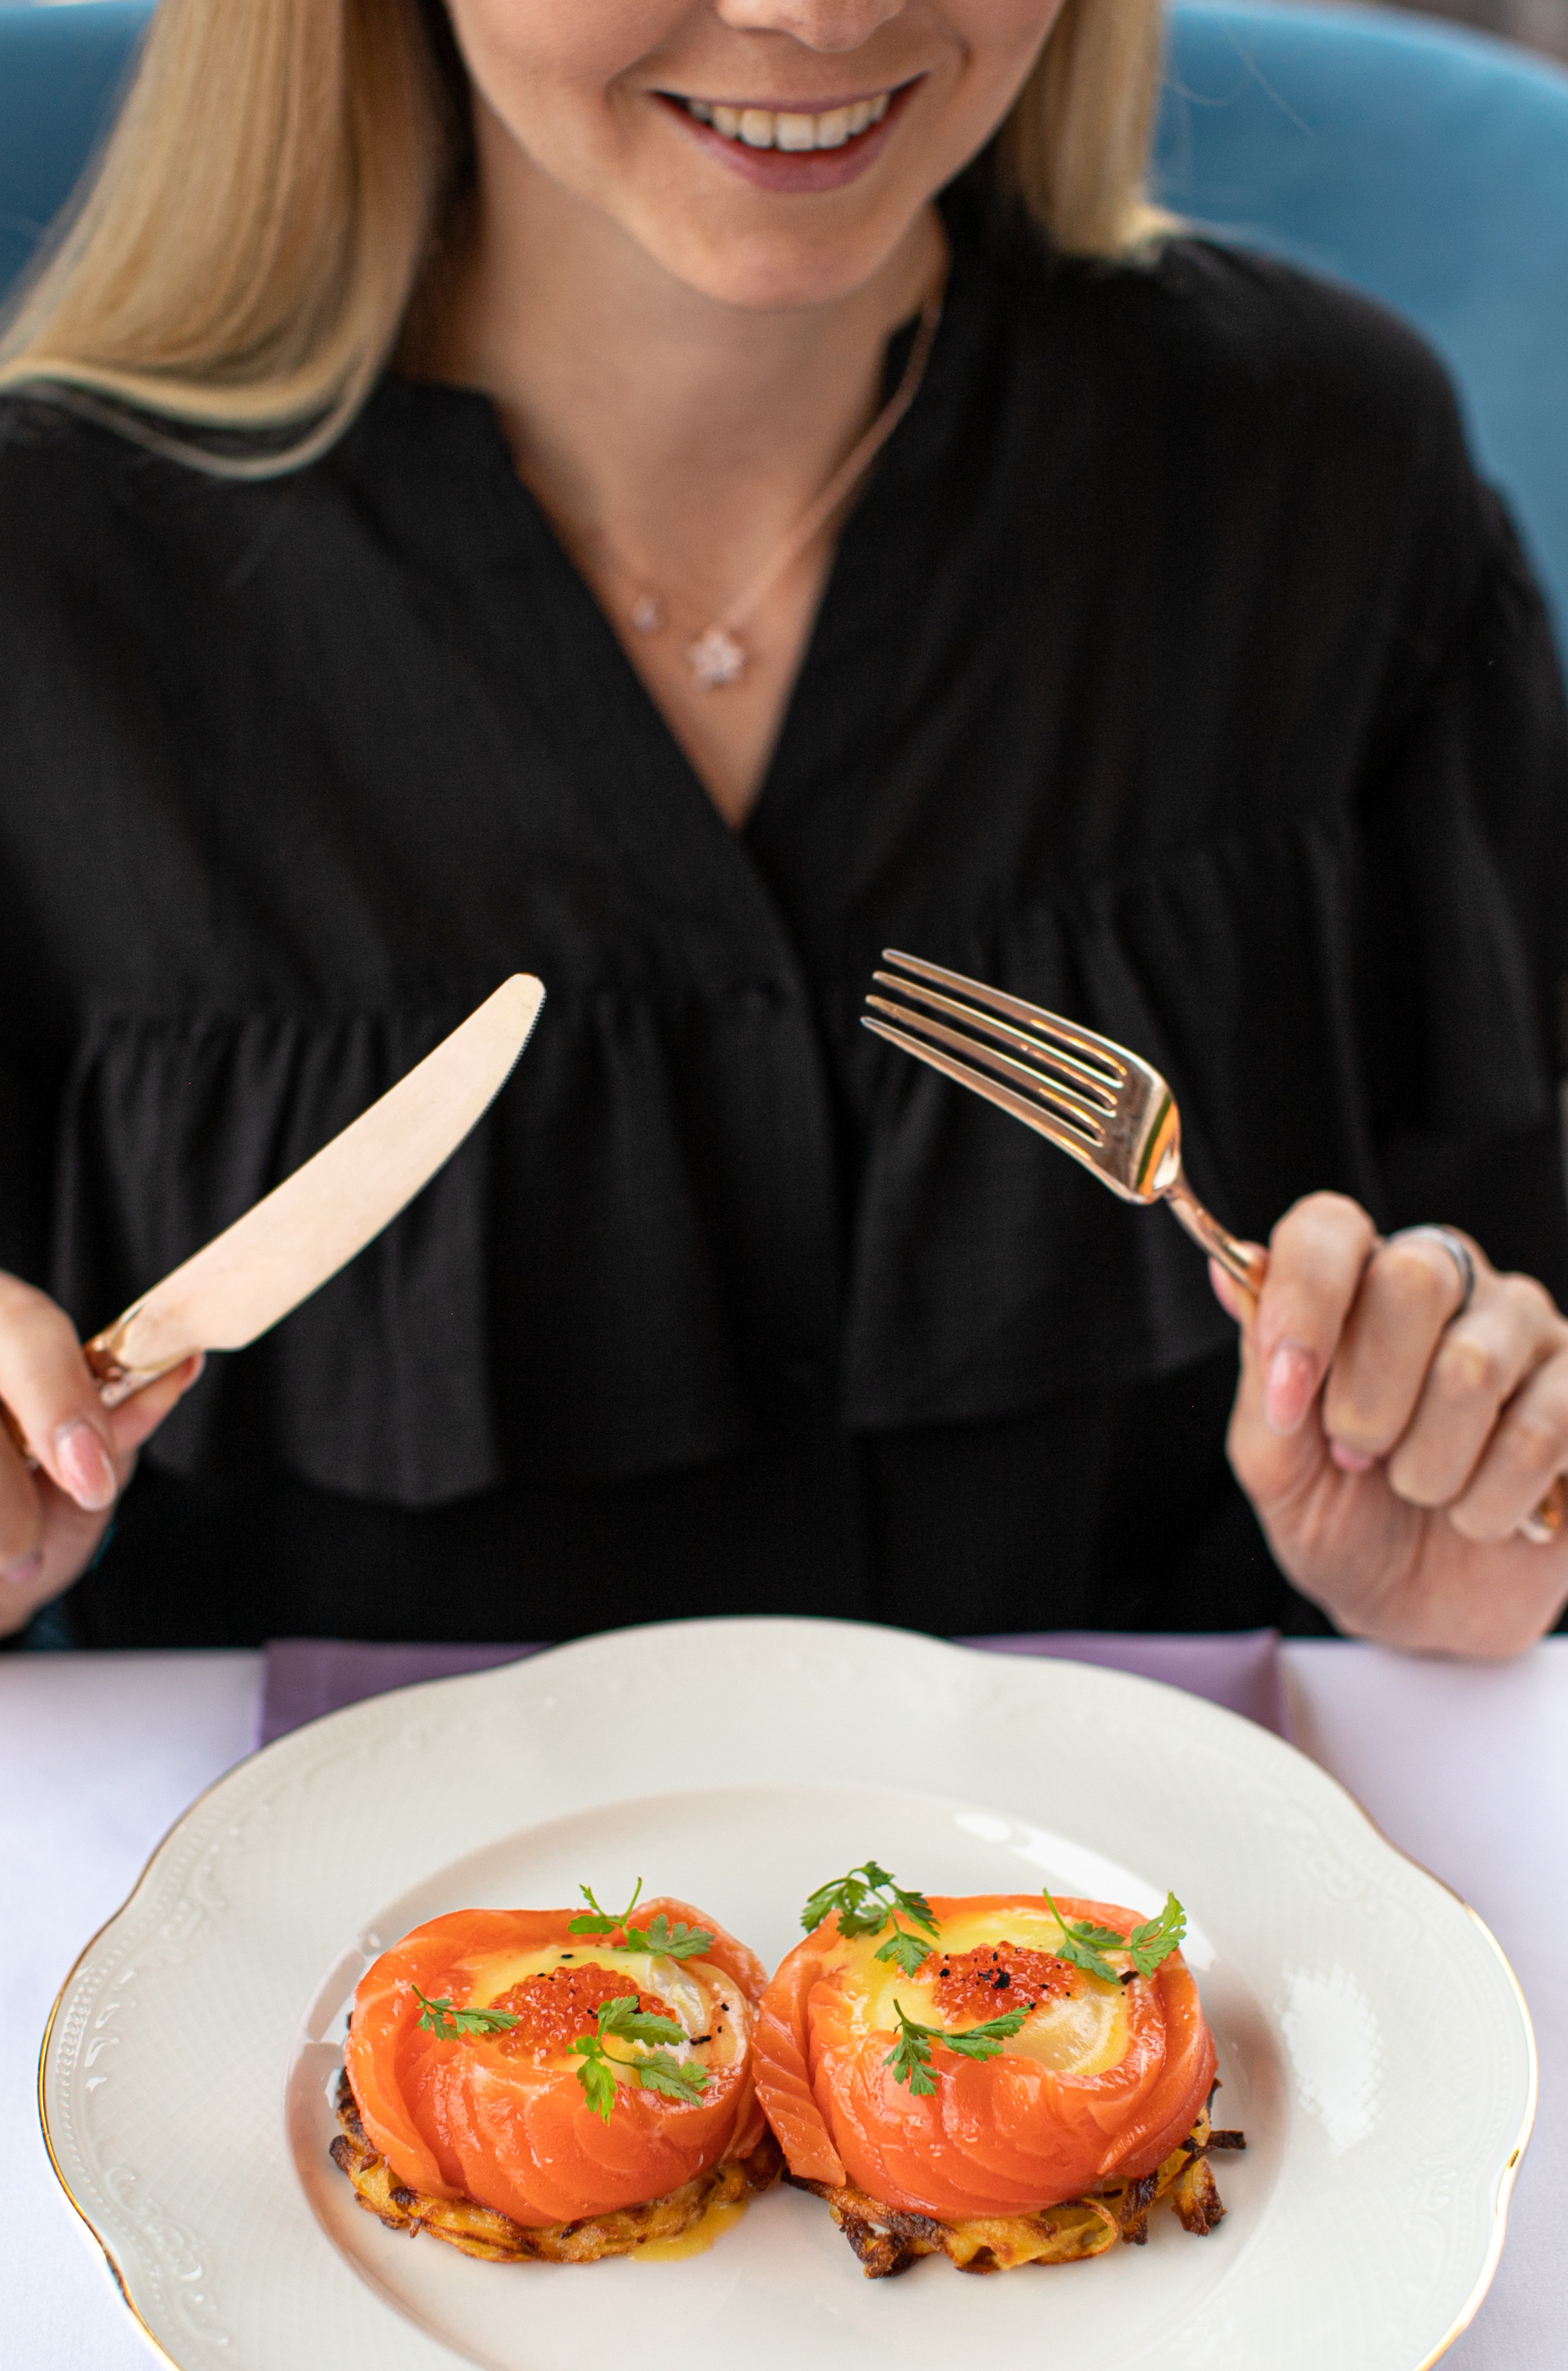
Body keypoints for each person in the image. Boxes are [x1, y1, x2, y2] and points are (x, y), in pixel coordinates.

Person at [1, 0, 1567, 1660]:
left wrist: (1473, 1540)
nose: (818, 12)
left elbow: (1508, 1347)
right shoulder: (43, 605)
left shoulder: (1333, 483)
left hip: (1173, 1914)